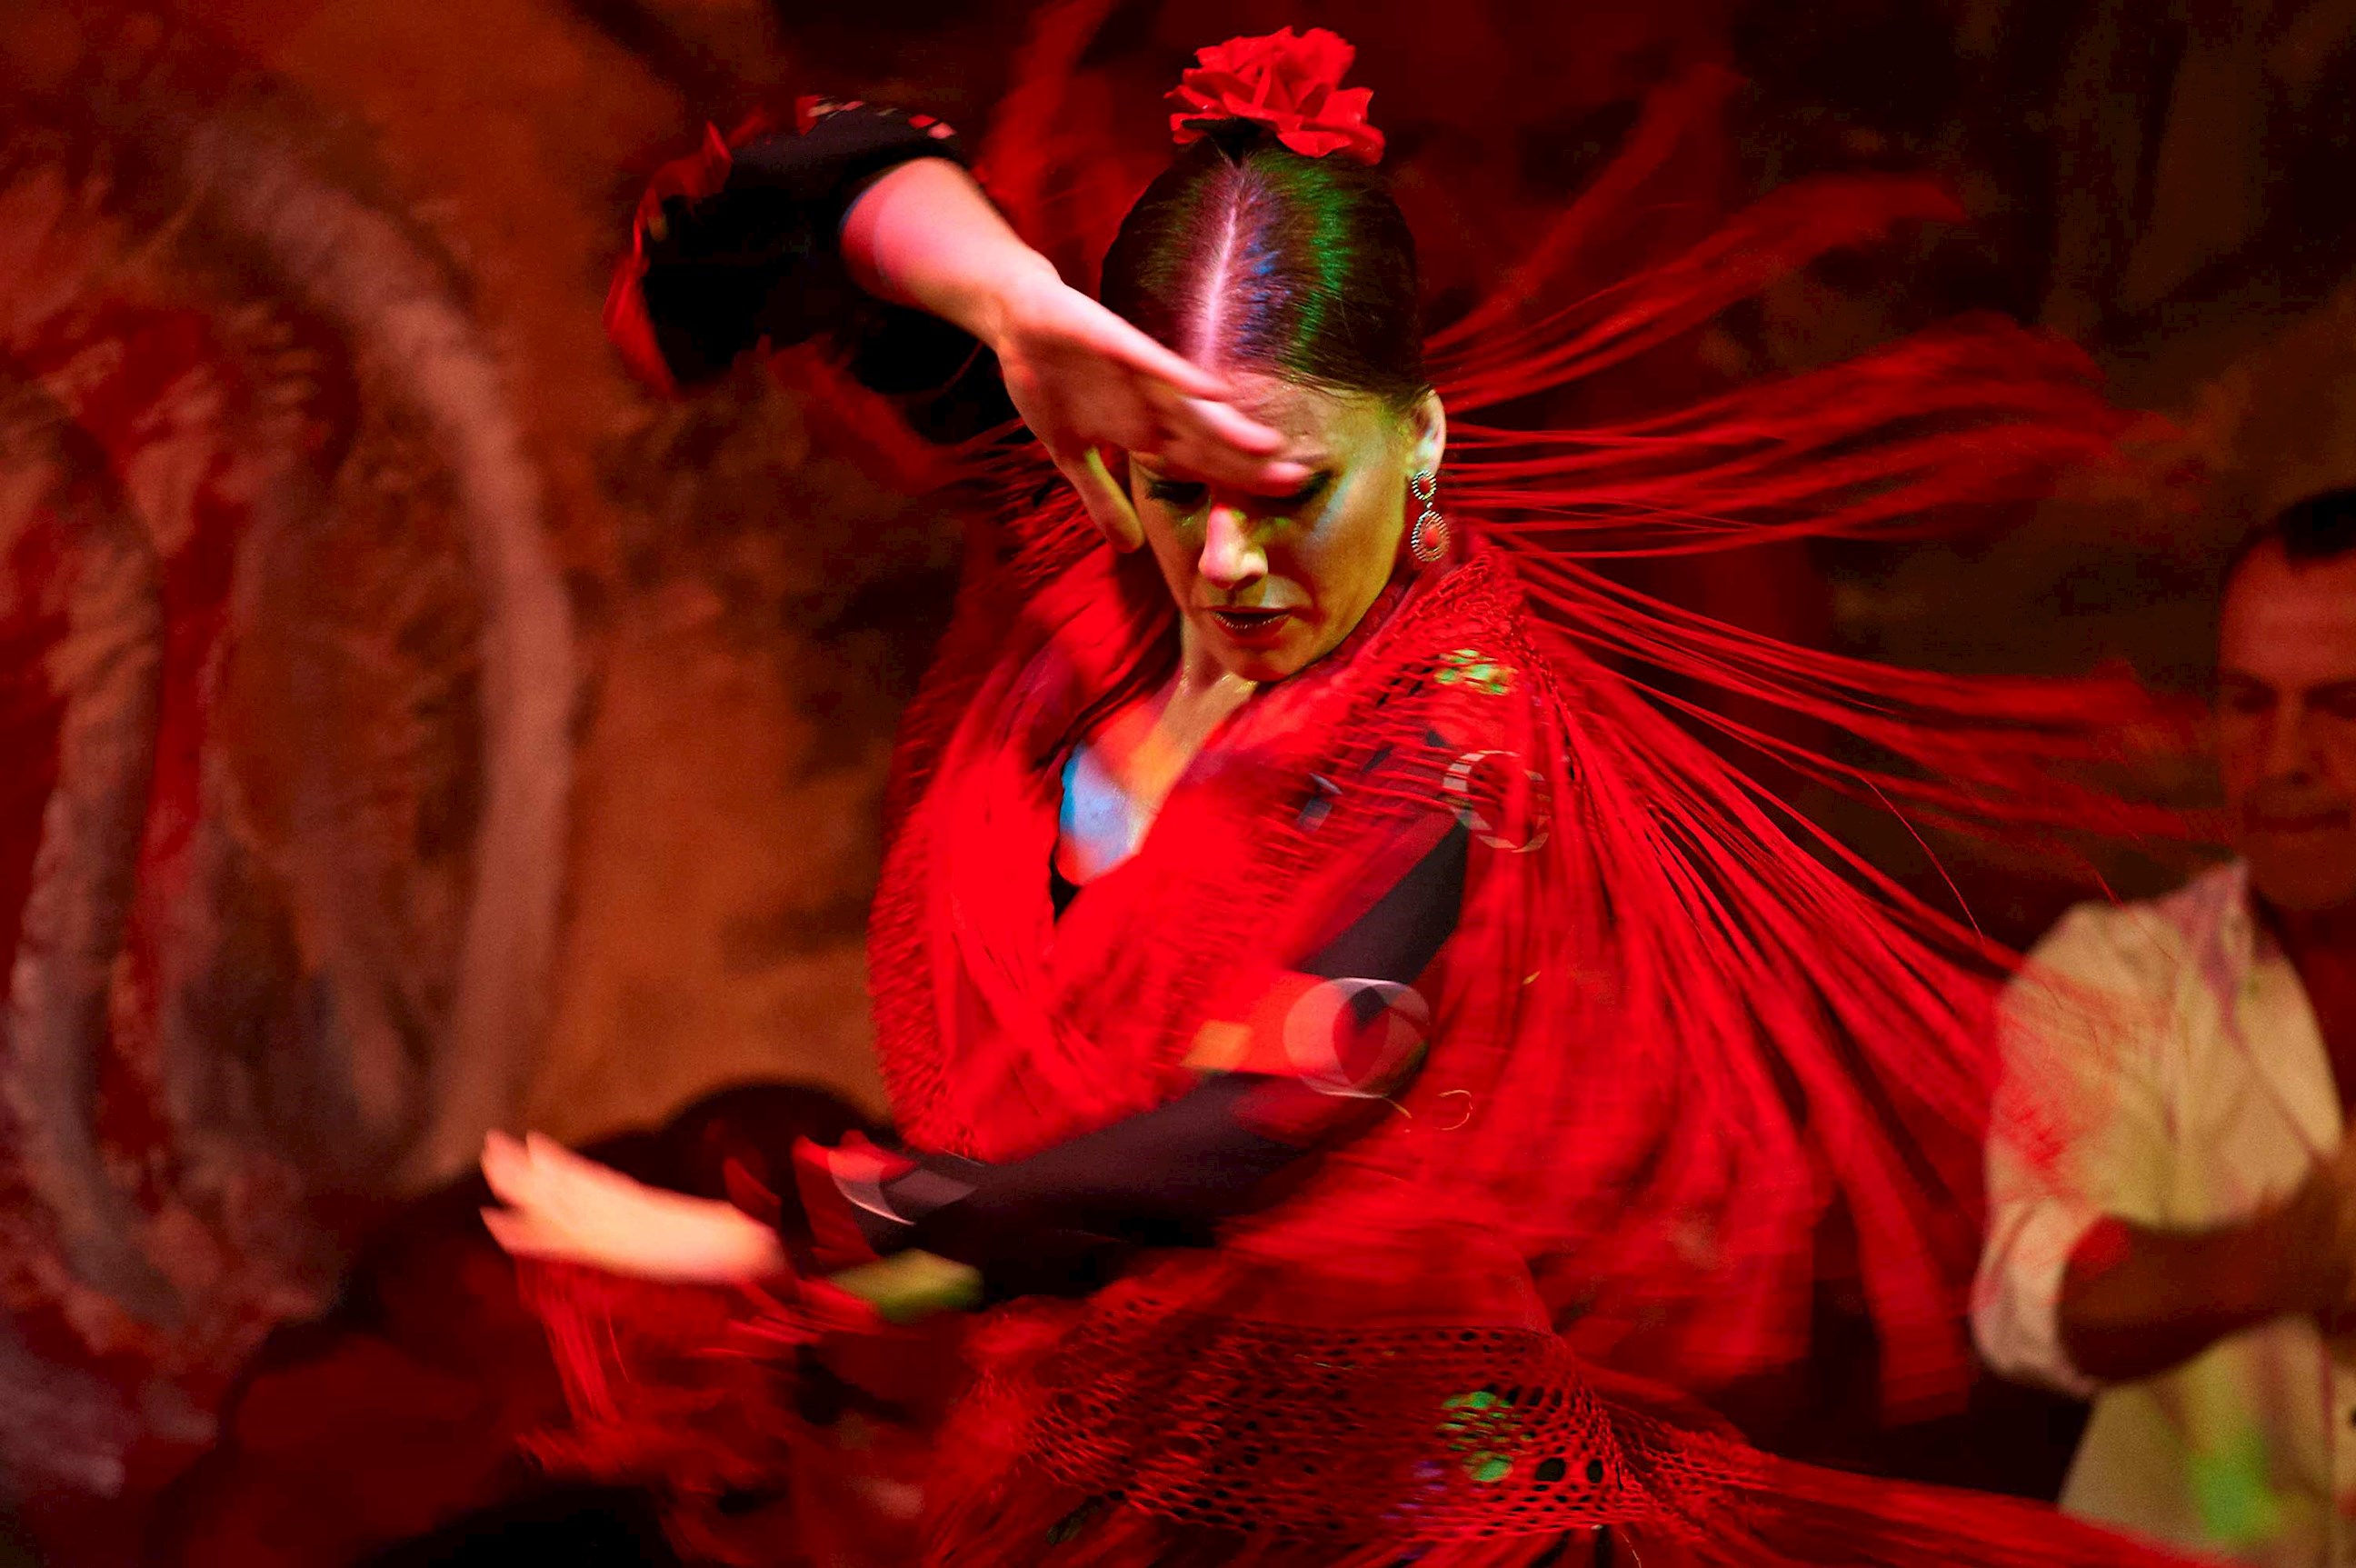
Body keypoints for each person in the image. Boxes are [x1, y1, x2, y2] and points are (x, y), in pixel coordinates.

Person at [482, 23, 2191, 1567]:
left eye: (1287, 487)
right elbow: (786, 197)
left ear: (1423, 444)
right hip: (1066, 1499)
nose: (1225, 557)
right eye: (1174, 481)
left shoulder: (1452, 719)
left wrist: (783, 1242)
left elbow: (1258, 1123)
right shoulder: (1077, 557)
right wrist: (1009, 303)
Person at [1977, 487, 2356, 1566]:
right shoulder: (2115, 977)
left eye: (2343, 706)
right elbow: (2031, 1290)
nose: (2282, 758)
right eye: (2248, 702)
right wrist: (2270, 1265)